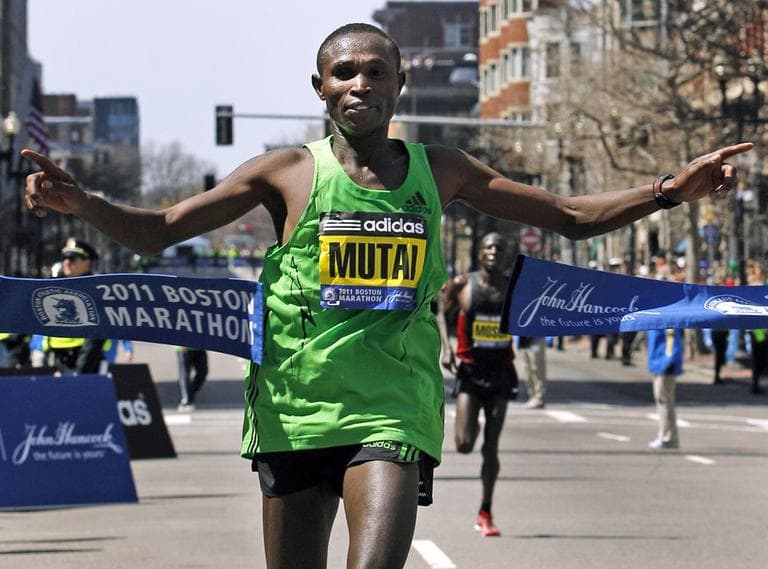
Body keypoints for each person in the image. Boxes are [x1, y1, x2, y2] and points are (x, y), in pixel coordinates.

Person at [21, 22, 749, 569]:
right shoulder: (284, 172)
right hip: (295, 407)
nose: (358, 85)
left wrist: (666, 192)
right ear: (320, 87)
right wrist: (84, 204)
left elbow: (566, 215)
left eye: (375, 72)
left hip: (392, 406)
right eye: (343, 73)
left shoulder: (443, 168)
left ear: (399, 84)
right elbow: (160, 230)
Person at [438, 232, 517, 537]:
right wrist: (446, 348)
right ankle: (474, 425)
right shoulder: (462, 285)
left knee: (491, 448)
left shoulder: (513, 286)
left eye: (500, 246)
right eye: (489, 247)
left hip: (501, 372)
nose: (494, 251)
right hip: (470, 372)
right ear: (480, 254)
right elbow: (441, 313)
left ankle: (486, 511)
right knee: (464, 444)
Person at [47, 238, 106, 375]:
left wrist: (79, 372)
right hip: (60, 361)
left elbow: (95, 337)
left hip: (86, 363)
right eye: (65, 258)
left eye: (72, 259)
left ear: (86, 262)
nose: (67, 262)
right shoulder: (58, 287)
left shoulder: (95, 288)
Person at [647, 328, 684, 450]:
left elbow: (671, 339)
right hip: (657, 363)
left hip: (664, 364)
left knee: (664, 400)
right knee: (662, 399)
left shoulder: (665, 320)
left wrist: (669, 360)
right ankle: (666, 435)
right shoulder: (655, 319)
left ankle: (667, 437)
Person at [176, 346, 209, 411]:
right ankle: (187, 400)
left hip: (200, 345)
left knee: (203, 372)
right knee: (185, 373)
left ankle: (189, 394)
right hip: (183, 347)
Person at [519, 335, 547, 409]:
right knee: (527, 370)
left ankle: (539, 398)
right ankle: (532, 397)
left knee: (537, 368)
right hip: (522, 339)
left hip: (536, 338)